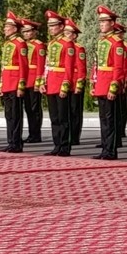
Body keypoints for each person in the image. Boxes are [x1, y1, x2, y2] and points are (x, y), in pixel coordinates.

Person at [91, 5, 125, 160]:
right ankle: (105, 148)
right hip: (101, 84)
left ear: (112, 23)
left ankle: (111, 150)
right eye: (100, 22)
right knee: (103, 119)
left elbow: (119, 67)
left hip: (109, 84)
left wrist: (113, 87)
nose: (101, 25)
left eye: (104, 22)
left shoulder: (116, 42)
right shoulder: (102, 41)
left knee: (110, 120)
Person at [43, 10, 76, 156]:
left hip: (61, 82)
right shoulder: (51, 44)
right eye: (49, 26)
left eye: (54, 26)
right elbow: (47, 65)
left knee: (63, 117)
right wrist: (44, 81)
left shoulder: (67, 44)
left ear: (61, 27)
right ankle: (57, 144)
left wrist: (65, 84)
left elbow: (69, 67)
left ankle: (65, 146)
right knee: (54, 117)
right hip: (51, 83)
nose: (51, 28)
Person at [0, 12, 29, 153]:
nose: (4, 29)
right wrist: (1, 84)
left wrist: (21, 85)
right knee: (8, 114)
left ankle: (16, 143)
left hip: (15, 83)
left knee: (16, 115)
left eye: (7, 26)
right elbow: (4, 67)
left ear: (15, 28)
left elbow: (23, 66)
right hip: (7, 83)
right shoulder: (8, 44)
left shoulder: (20, 43)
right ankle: (11, 141)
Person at [21, 17, 47, 143]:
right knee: (27, 108)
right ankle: (31, 133)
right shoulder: (23, 45)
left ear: (35, 32)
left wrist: (39, 81)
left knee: (34, 108)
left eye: (28, 31)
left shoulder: (39, 46)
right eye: (24, 32)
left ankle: (36, 133)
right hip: (24, 80)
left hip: (33, 80)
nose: (26, 34)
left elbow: (41, 65)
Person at [64, 18, 87, 148]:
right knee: (66, 111)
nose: (65, 35)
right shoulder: (64, 46)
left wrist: (79, 83)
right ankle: (67, 135)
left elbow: (81, 68)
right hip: (66, 82)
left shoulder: (79, 48)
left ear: (74, 35)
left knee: (75, 110)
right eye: (65, 32)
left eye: (68, 33)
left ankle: (74, 136)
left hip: (75, 83)